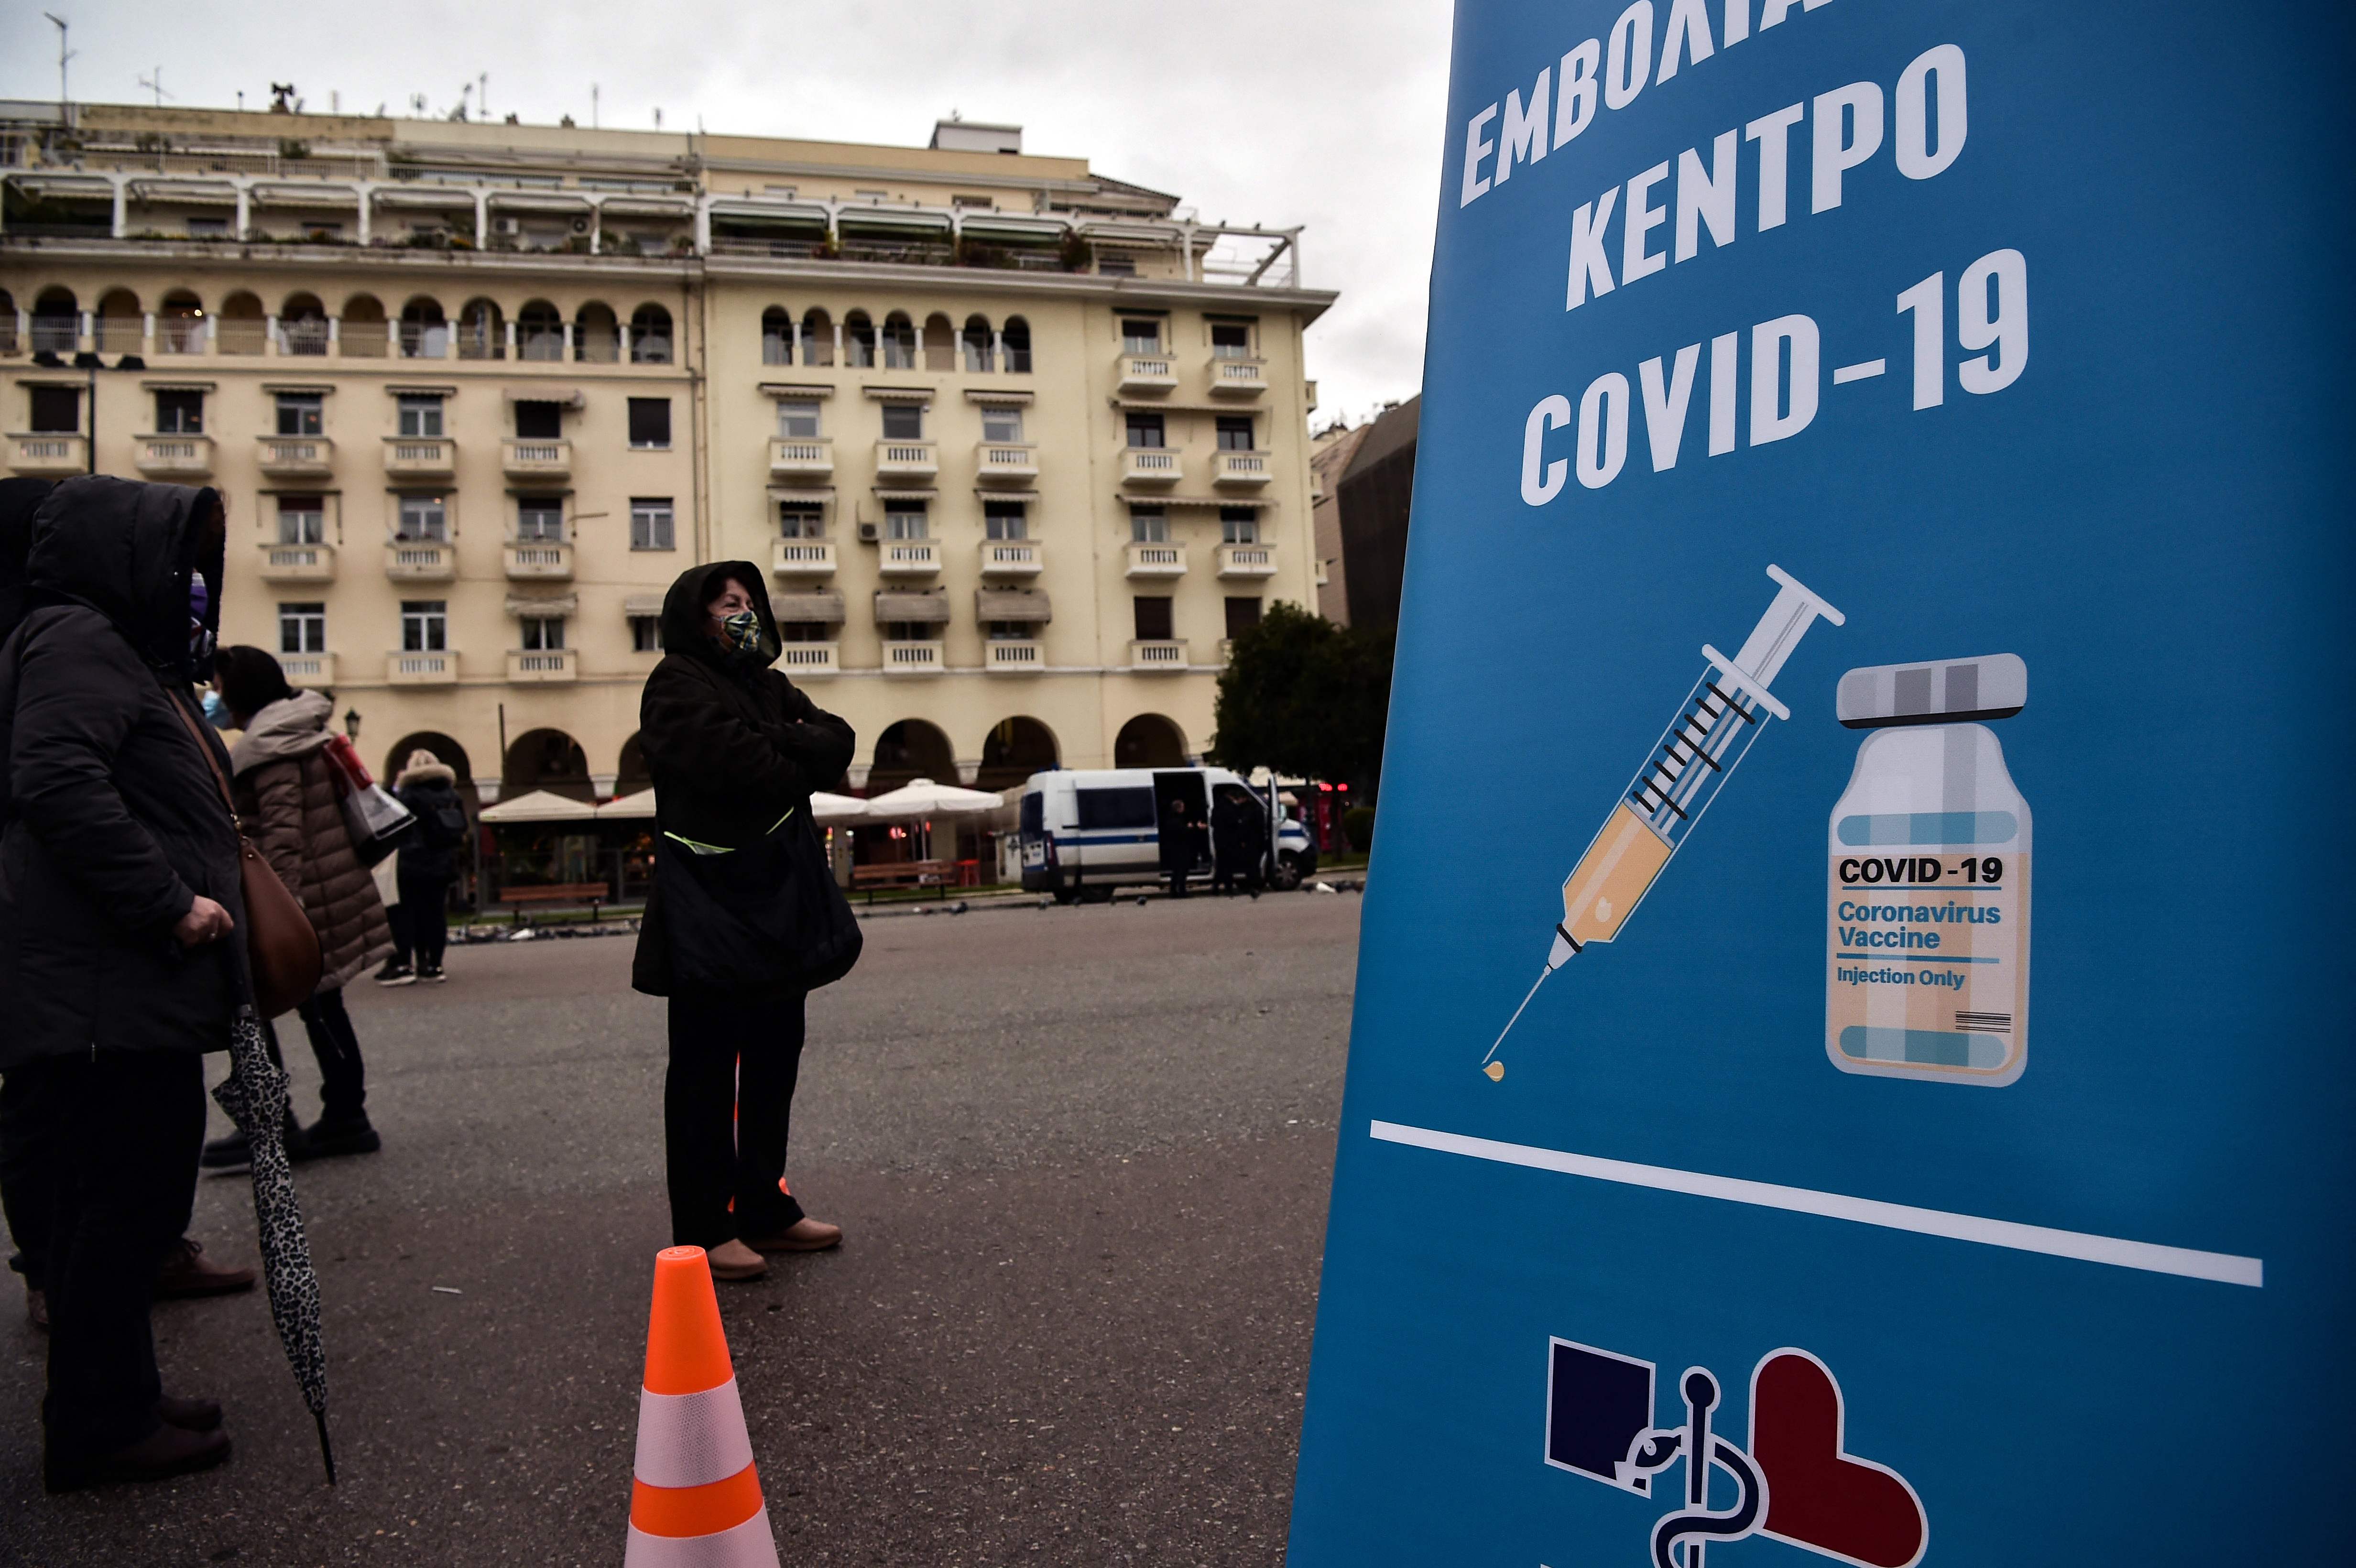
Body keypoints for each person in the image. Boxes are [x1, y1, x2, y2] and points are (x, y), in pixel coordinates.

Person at [0, 476, 242, 1488]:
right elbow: (57, 779)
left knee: (131, 1200)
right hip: (105, 983)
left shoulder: (98, 644)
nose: (189, 580)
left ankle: (122, 1394)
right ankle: (100, 1421)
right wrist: (168, 901)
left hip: (116, 985)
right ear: (123, 553)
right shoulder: (77, 636)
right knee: (117, 1205)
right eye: (175, 555)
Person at [634, 563, 858, 1282]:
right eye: (727, 602)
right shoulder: (677, 683)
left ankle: (765, 1205)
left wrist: (788, 743)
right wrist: (793, 748)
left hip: (778, 907)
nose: (743, 610)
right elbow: (741, 769)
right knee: (704, 1074)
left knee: (774, 1061)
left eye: (749, 600)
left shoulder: (765, 682)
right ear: (696, 617)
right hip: (711, 910)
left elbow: (839, 740)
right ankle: (704, 1224)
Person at [200, 647, 392, 1163]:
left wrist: (278, 918)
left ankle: (278, 1122)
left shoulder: (271, 746)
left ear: (238, 692)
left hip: (305, 903)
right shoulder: (294, 730)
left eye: (217, 685)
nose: (212, 696)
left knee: (271, 1009)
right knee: (322, 1010)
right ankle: (341, 1117)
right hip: (325, 893)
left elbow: (283, 836)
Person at [379, 749, 465, 984]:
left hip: (412, 863)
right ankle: (434, 965)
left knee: (406, 915)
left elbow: (391, 820)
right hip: (444, 863)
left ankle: (405, 963)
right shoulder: (452, 795)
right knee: (436, 914)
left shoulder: (409, 795)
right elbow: (463, 826)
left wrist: (396, 788)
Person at [1210, 784, 1268, 897]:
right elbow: (1237, 823)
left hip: (1219, 840)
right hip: (1230, 841)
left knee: (1222, 864)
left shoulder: (1217, 807)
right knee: (1228, 866)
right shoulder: (1232, 808)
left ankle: (1217, 887)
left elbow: (1213, 823)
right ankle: (1229, 888)